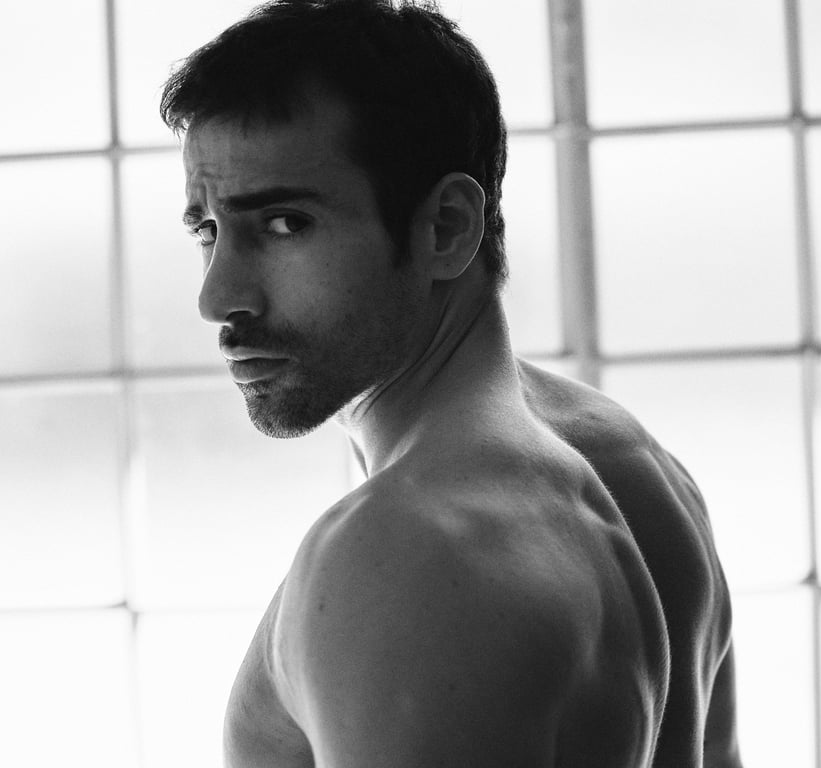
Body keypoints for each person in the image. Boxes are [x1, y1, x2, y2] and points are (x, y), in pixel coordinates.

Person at [160, 0, 741, 765]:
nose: (217, 297)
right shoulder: (634, 467)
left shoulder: (409, 556)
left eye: (283, 224)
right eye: (208, 231)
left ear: (447, 229)